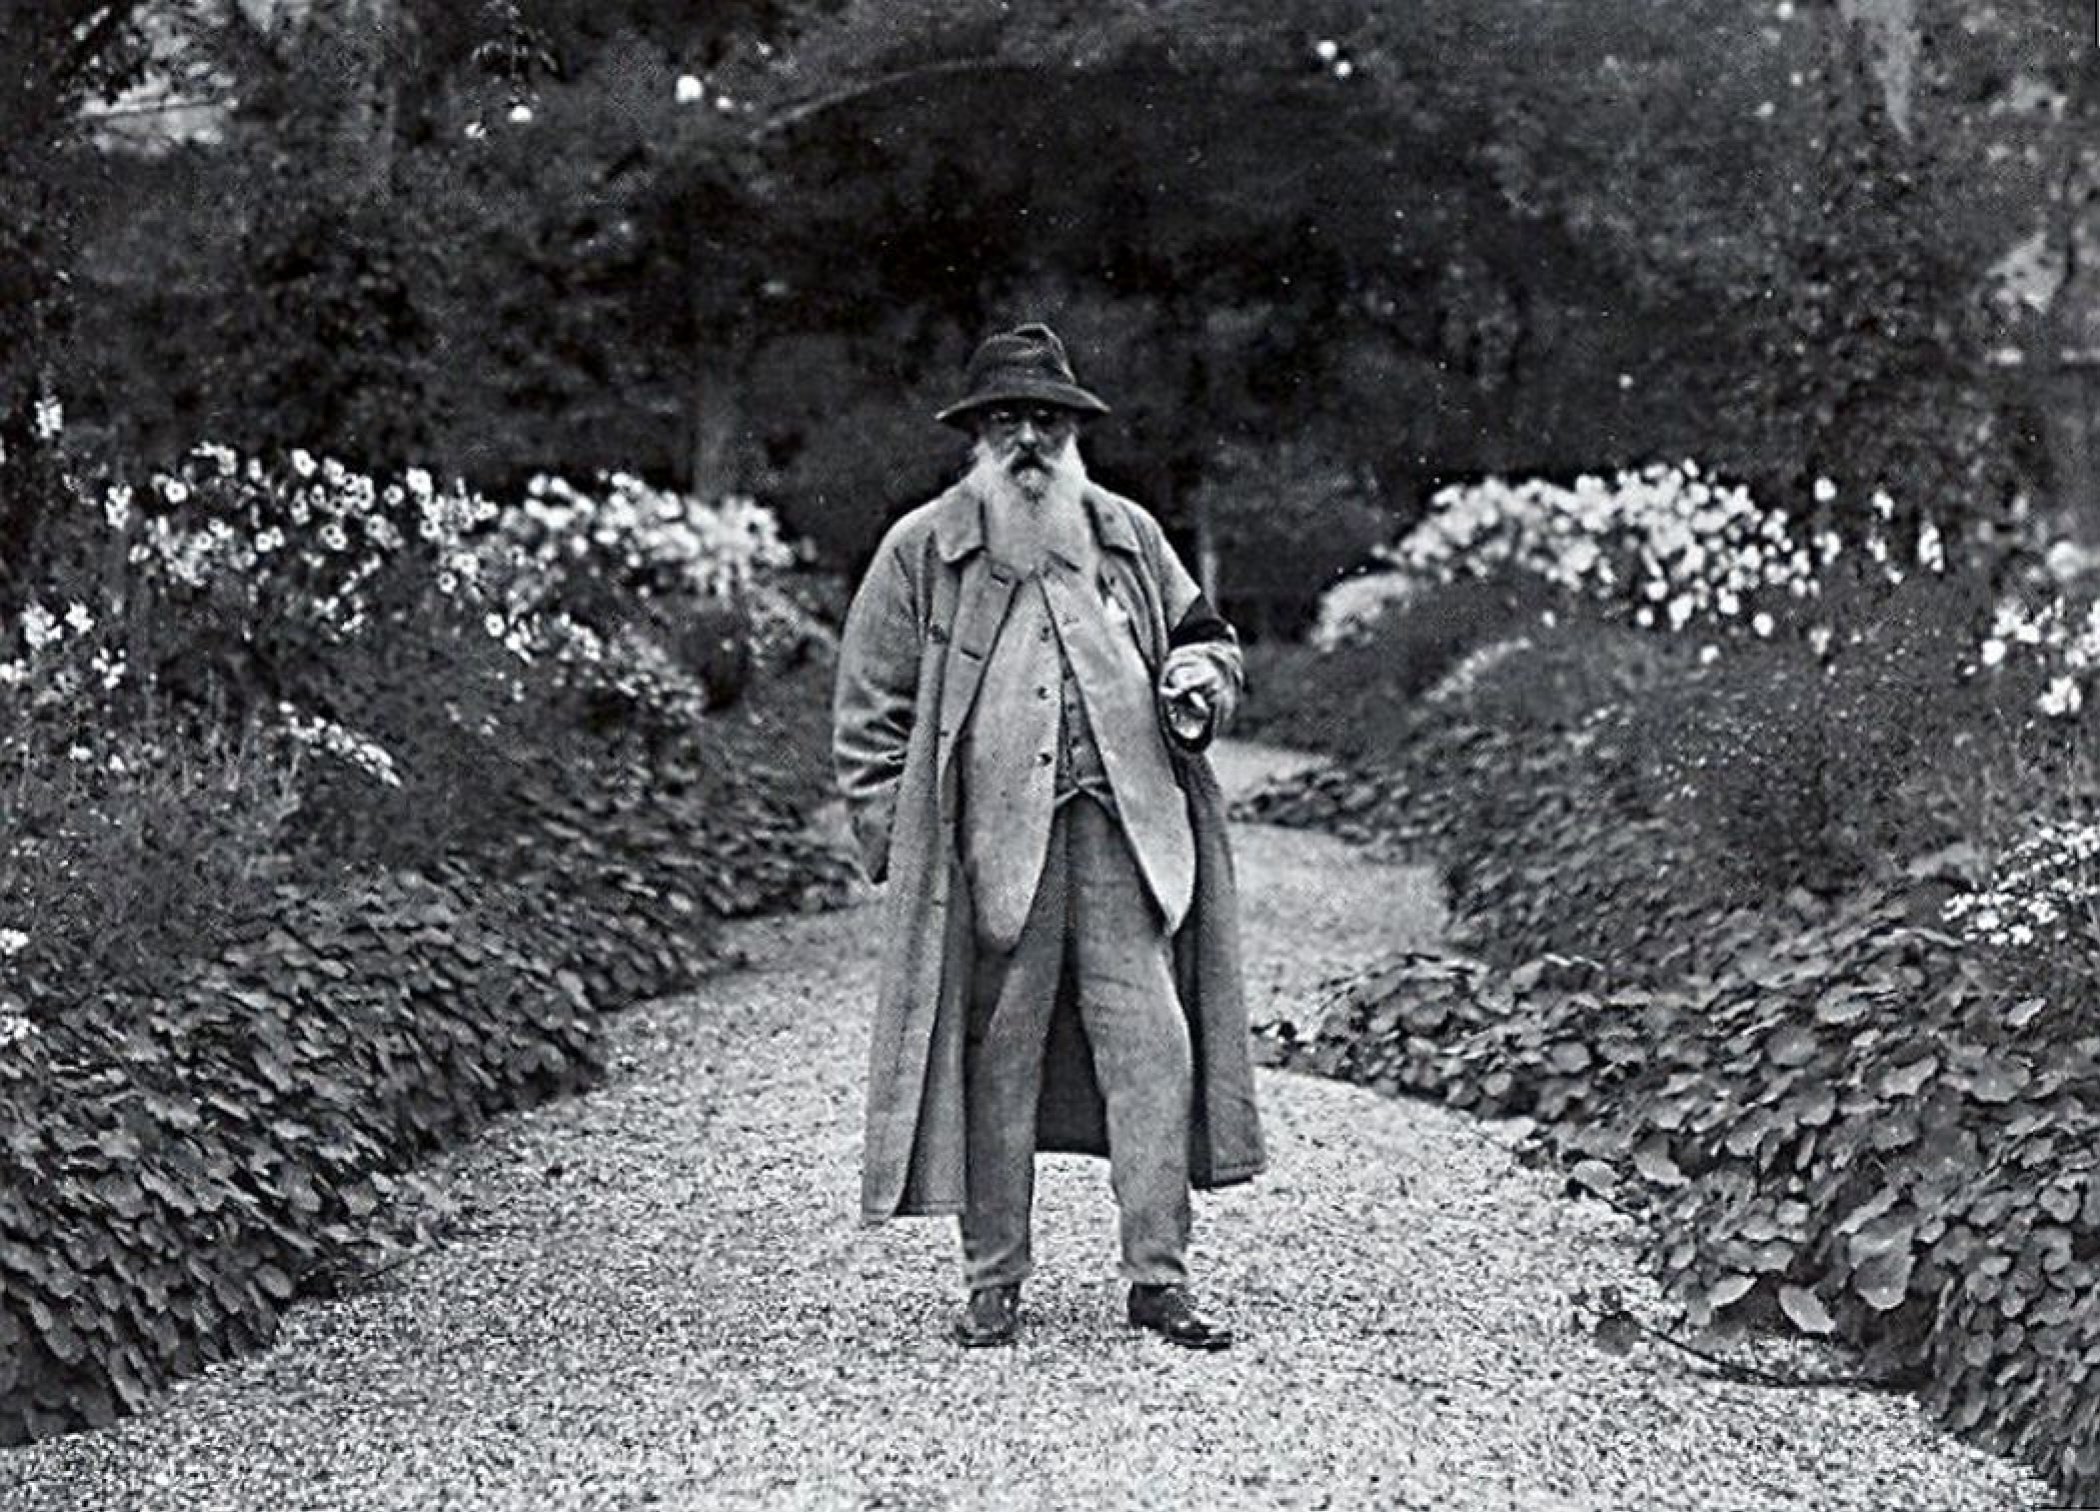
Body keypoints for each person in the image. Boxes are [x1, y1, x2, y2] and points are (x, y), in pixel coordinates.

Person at [831, 322, 1266, 1351]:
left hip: (1124, 838)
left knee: (1155, 1050)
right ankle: (994, 1282)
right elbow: (867, 713)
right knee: (998, 1062)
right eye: (1006, 420)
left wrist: (1199, 682)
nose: (1028, 439)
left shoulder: (1126, 535)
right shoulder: (924, 550)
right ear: (976, 434)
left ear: (1074, 431)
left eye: (1046, 419)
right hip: (992, 854)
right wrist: (903, 849)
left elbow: (1208, 639)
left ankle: (1159, 1279)